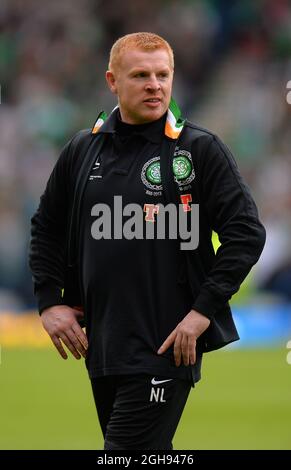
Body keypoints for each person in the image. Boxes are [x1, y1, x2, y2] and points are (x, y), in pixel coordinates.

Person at [29, 32, 266, 450]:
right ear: (112, 81)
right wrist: (50, 300)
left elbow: (246, 233)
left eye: (163, 74)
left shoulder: (199, 150)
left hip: (167, 346)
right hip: (102, 345)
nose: (154, 85)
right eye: (140, 75)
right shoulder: (83, 150)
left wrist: (201, 312)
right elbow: (46, 226)